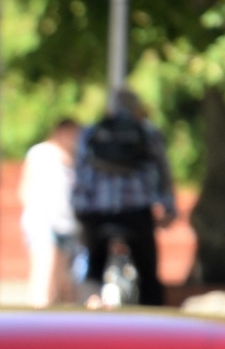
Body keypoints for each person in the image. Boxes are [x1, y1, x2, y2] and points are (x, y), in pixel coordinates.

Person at [72, 89, 175, 306]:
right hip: (135, 212)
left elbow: (80, 174)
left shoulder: (91, 132)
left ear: (109, 108)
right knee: (148, 275)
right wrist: (168, 208)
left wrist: (79, 210)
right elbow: (162, 172)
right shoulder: (148, 132)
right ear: (137, 109)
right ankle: (153, 320)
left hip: (96, 212)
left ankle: (92, 304)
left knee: (93, 268)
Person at [20, 118, 81, 304]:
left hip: (68, 225)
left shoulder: (76, 158)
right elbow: (25, 189)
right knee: (44, 272)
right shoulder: (41, 153)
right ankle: (37, 324)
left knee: (64, 281)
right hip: (44, 221)